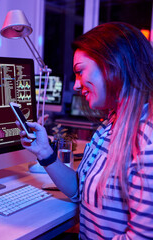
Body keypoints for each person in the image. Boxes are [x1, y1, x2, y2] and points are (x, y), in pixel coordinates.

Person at [17, 22, 153, 239]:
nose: (77, 85)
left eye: (80, 71)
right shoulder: (111, 124)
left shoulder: (147, 142)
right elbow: (79, 190)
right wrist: (45, 152)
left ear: (114, 65)